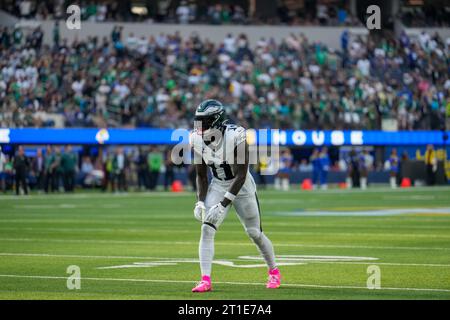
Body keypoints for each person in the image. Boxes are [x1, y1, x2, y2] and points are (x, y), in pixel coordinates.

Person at [190, 99, 280, 293]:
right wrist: (200, 202)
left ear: (216, 121)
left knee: (254, 233)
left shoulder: (236, 135)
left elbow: (241, 174)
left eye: (203, 121)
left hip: (242, 186)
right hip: (219, 184)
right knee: (207, 229)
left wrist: (222, 205)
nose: (199, 126)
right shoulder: (196, 138)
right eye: (198, 121)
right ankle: (205, 279)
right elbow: (201, 175)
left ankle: (274, 271)